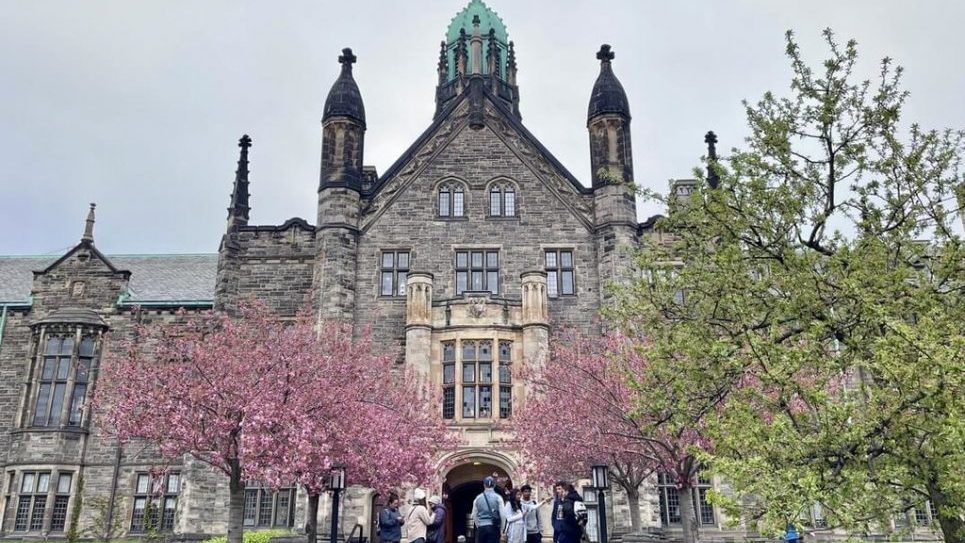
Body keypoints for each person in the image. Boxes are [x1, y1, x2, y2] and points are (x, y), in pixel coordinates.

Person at [471, 476, 505, 543]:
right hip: (494, 527)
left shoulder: (478, 498)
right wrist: (501, 529)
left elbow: (474, 515)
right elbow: (503, 515)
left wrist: (478, 525)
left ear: (484, 485)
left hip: (481, 527)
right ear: (494, 485)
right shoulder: (498, 498)